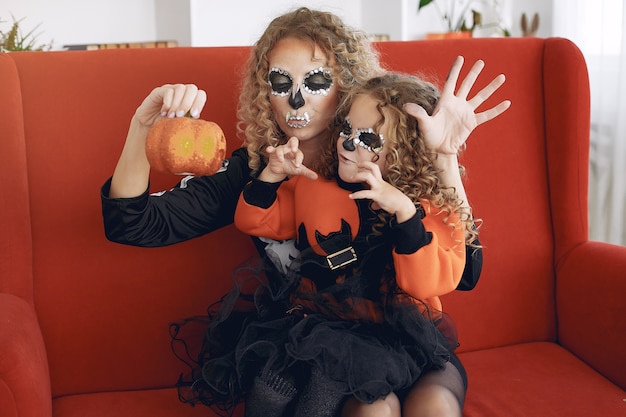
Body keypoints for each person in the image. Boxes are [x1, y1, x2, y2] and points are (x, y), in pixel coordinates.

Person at [99, 6, 510, 417]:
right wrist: (142, 127)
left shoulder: (386, 153)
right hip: (309, 347)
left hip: (403, 336)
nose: (296, 98)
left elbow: (466, 272)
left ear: (346, 86)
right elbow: (132, 224)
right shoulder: (258, 168)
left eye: (316, 81)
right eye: (281, 82)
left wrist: (445, 157)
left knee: (434, 405)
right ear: (265, 92)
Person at [231, 72, 472, 417]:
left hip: (408, 342)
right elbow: (254, 220)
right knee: (370, 411)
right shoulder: (314, 186)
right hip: (331, 336)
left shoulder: (426, 205)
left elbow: (428, 282)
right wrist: (271, 175)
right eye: (346, 129)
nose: (347, 143)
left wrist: (405, 213)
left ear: (405, 152)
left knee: (435, 407)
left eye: (369, 139)